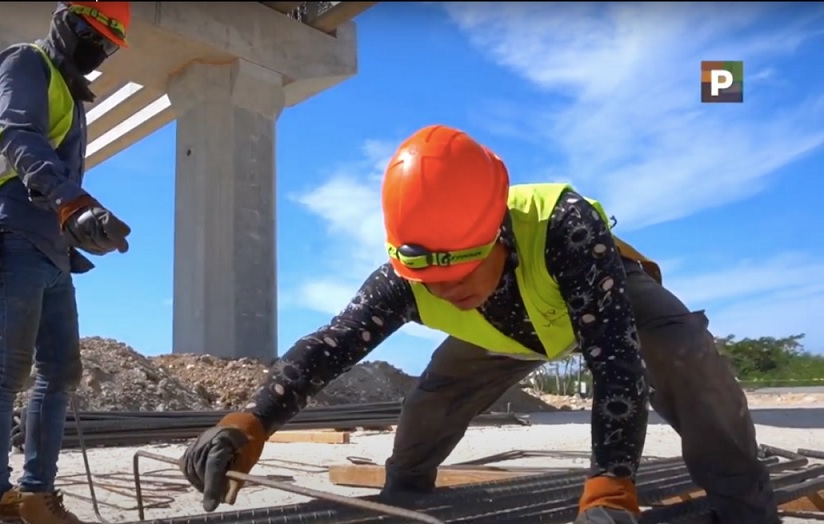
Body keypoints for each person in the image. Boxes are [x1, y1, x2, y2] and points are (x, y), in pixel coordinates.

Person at [178, 125, 779, 523]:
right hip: (505, 334)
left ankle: (744, 506)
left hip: (602, 304)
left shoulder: (564, 228)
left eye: (462, 271)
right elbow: (331, 346)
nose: (446, 289)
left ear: (497, 230)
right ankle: (405, 497)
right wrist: (251, 421)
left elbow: (614, 363)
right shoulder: (404, 278)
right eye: (428, 279)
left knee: (685, 354)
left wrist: (611, 481)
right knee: (434, 399)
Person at [0, 2, 132, 523]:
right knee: (6, 371)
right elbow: (17, 136)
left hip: (53, 249)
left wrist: (86, 219)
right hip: (13, 235)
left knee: (60, 373)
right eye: (91, 36)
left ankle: (37, 495)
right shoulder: (24, 62)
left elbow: (54, 164)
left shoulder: (69, 92)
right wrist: (72, 202)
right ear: (65, 22)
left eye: (106, 44)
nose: (97, 50)